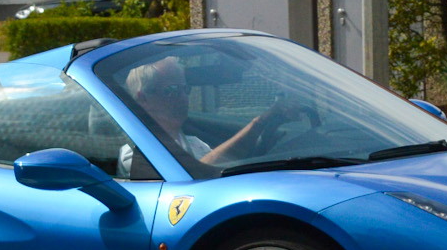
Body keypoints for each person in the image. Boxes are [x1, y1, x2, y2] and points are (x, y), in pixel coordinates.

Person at [124, 53, 313, 171]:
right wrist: (259, 123)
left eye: (185, 89)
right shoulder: (135, 154)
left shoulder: (195, 145)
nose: (183, 98)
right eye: (171, 91)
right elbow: (198, 172)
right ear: (143, 99)